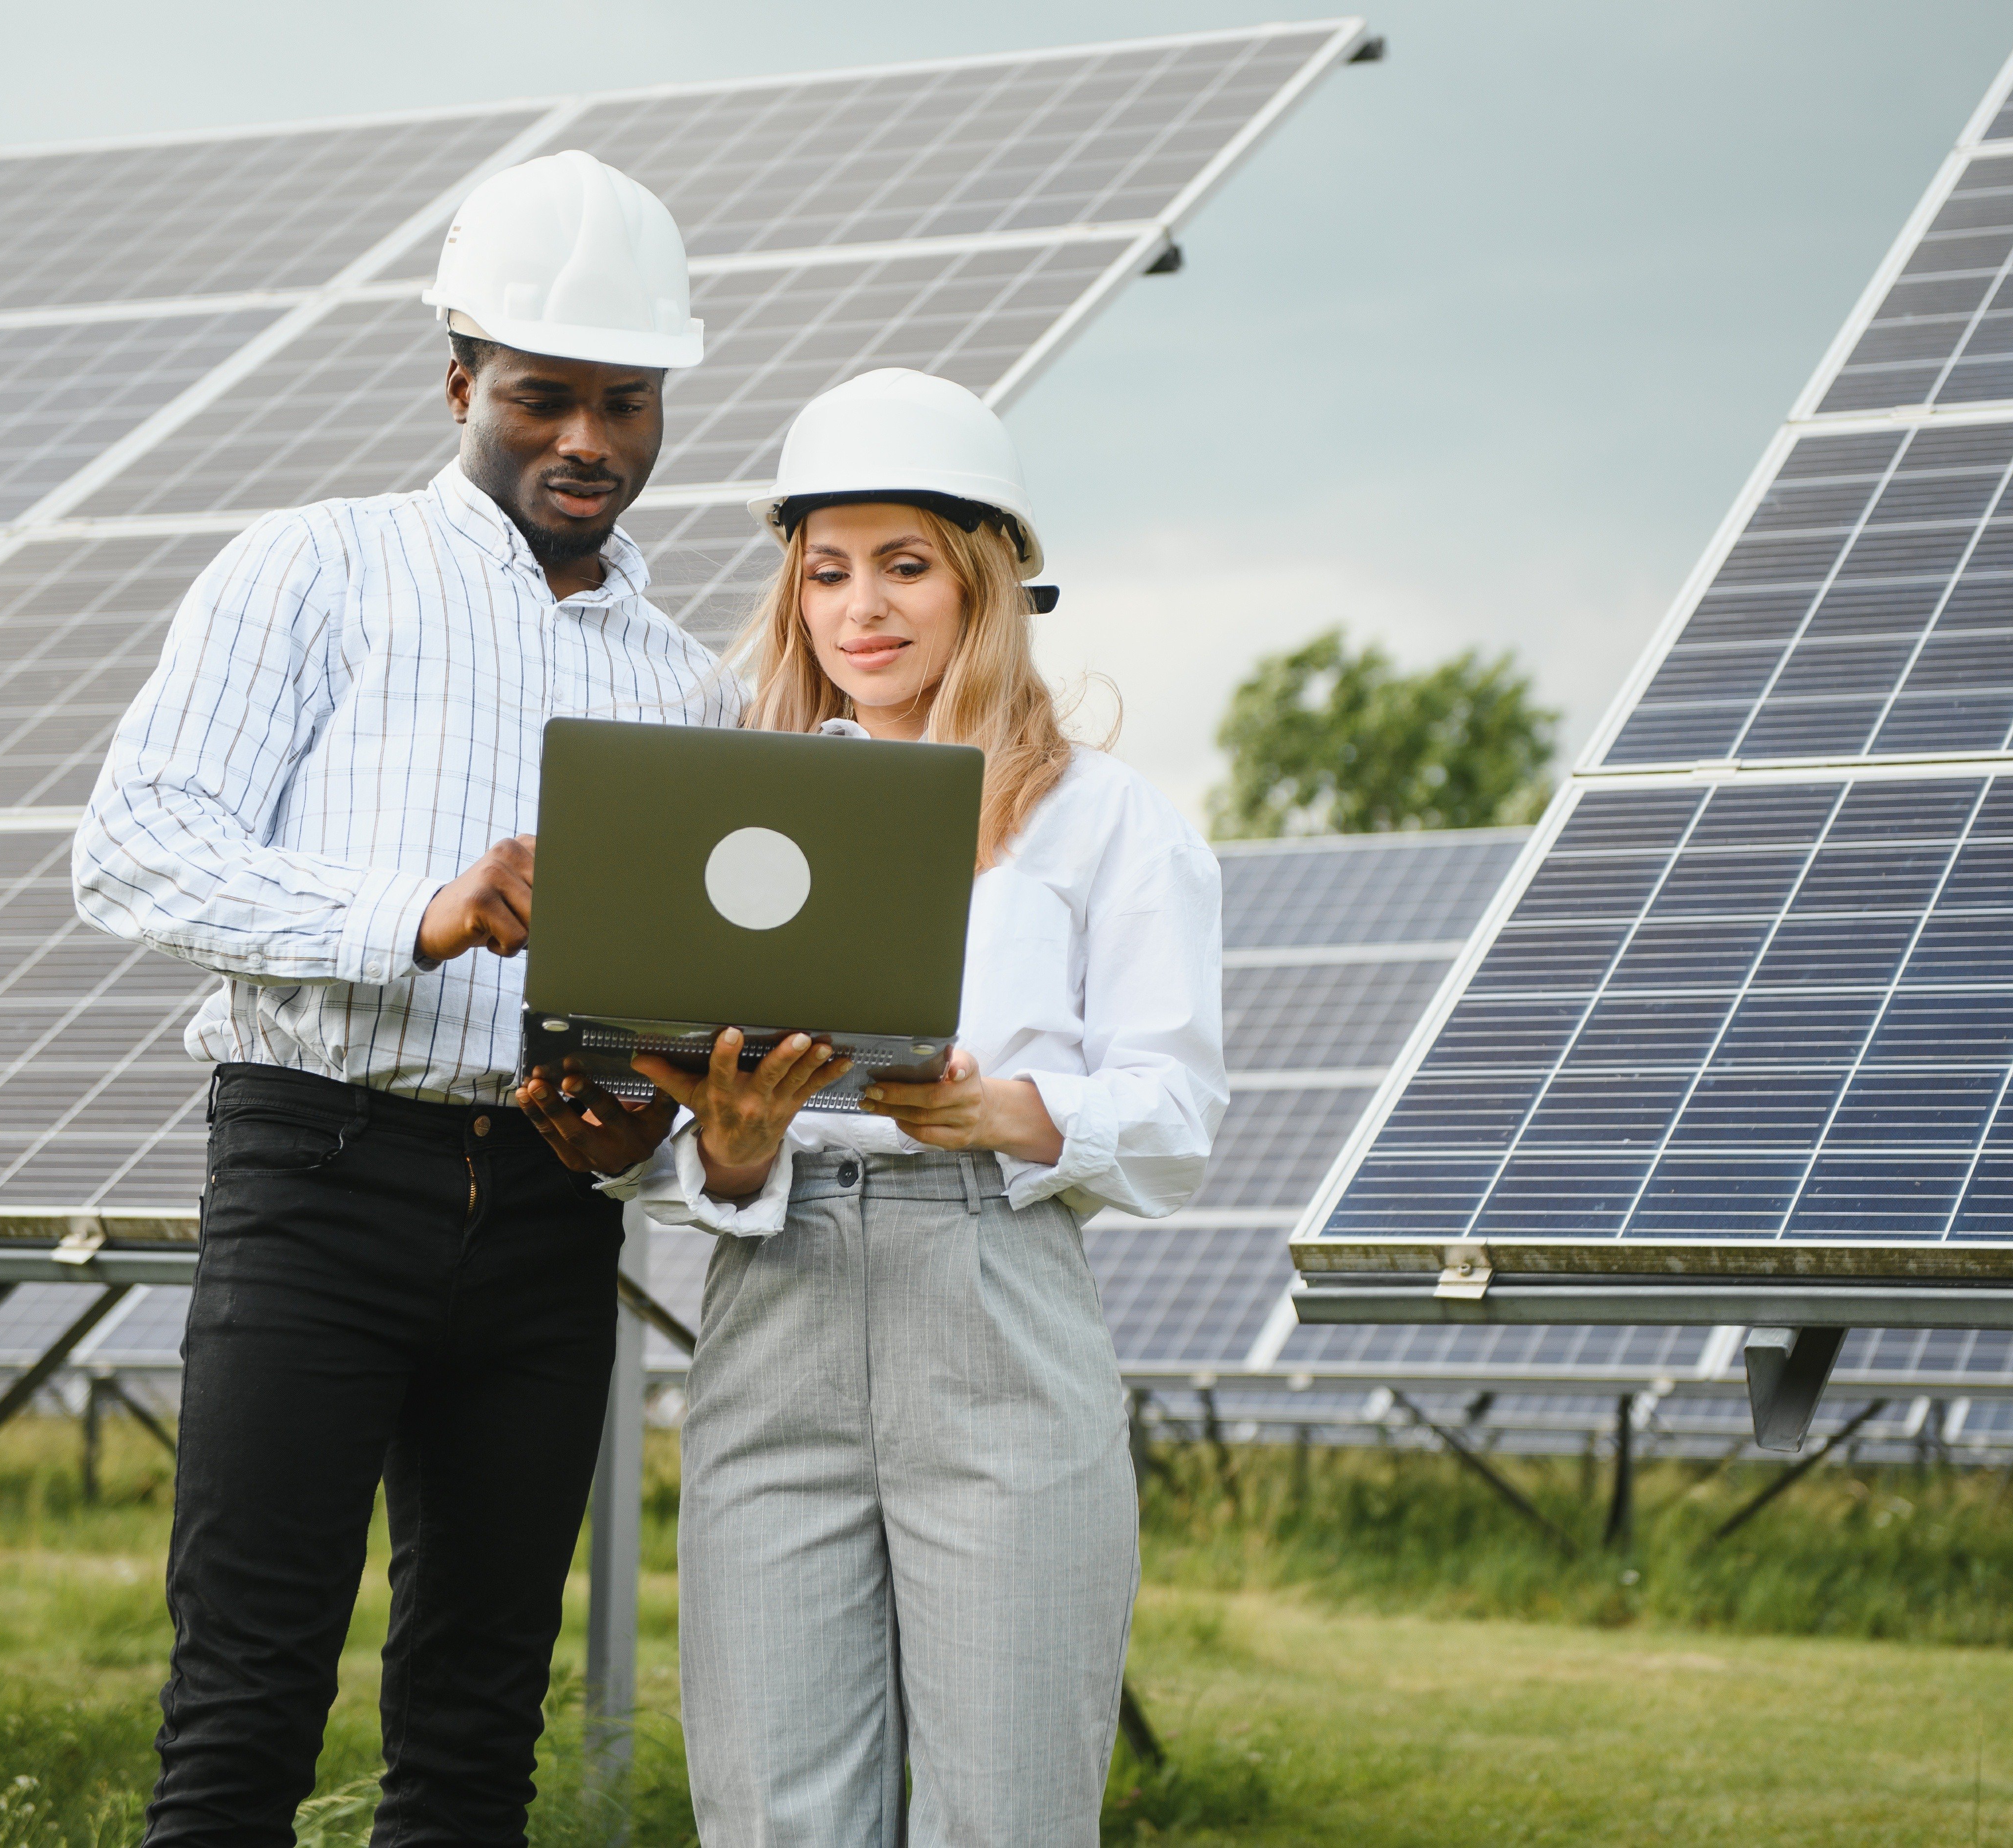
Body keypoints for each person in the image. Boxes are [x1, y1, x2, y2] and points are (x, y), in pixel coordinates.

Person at [71, 150, 734, 1846]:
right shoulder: (313, 570)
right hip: (315, 1177)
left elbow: (684, 1003)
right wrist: (417, 913)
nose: (587, 439)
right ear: (460, 382)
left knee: (475, 1725)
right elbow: (136, 851)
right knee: (245, 1705)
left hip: (545, 1216)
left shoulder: (695, 684)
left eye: (626, 402)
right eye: (543, 396)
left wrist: (644, 1112)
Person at [516, 367, 1226, 1847]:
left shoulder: (1106, 820)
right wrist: (725, 1150)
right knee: (776, 1809)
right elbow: (675, 1120)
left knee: (1010, 1807)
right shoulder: (730, 809)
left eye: (906, 566)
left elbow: (1174, 1110)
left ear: (986, 580)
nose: (864, 608)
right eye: (828, 571)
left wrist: (1010, 1114)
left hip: (993, 1294)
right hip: (772, 1296)